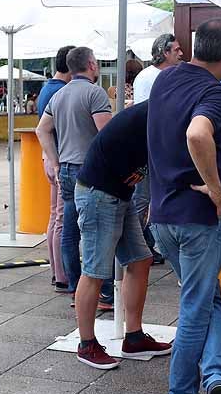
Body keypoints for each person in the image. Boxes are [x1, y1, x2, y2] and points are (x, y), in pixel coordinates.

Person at [148, 18, 221, 394]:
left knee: (207, 303)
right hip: (196, 218)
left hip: (162, 215)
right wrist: (217, 190)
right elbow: (198, 134)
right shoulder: (214, 90)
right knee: (194, 309)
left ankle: (216, 380)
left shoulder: (164, 81)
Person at [73, 101, 173, 369]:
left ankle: (134, 336)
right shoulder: (160, 114)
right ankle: (86, 344)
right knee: (95, 271)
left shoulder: (162, 111)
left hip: (118, 195)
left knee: (140, 260)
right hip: (100, 194)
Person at [36, 47, 112, 298]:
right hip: (89, 169)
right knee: (98, 230)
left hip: (67, 169)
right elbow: (107, 136)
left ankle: (75, 286)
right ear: (91, 64)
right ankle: (104, 290)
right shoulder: (95, 93)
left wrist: (55, 162)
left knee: (69, 230)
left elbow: (41, 130)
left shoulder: (59, 95)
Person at [132, 33, 183, 266]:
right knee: (143, 199)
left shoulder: (149, 75)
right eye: (176, 50)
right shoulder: (156, 78)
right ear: (164, 52)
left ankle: (145, 243)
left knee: (147, 198)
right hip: (151, 148)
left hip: (150, 146)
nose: (181, 53)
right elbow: (155, 114)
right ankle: (137, 244)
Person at [37, 46, 75, 292]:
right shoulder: (60, 92)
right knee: (61, 218)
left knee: (55, 216)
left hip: (49, 158)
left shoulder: (46, 89)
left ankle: (56, 271)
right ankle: (62, 275)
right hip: (58, 158)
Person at [133, 34, 183, 105]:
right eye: (176, 50)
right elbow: (142, 110)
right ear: (166, 53)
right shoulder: (145, 78)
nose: (181, 53)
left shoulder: (177, 74)